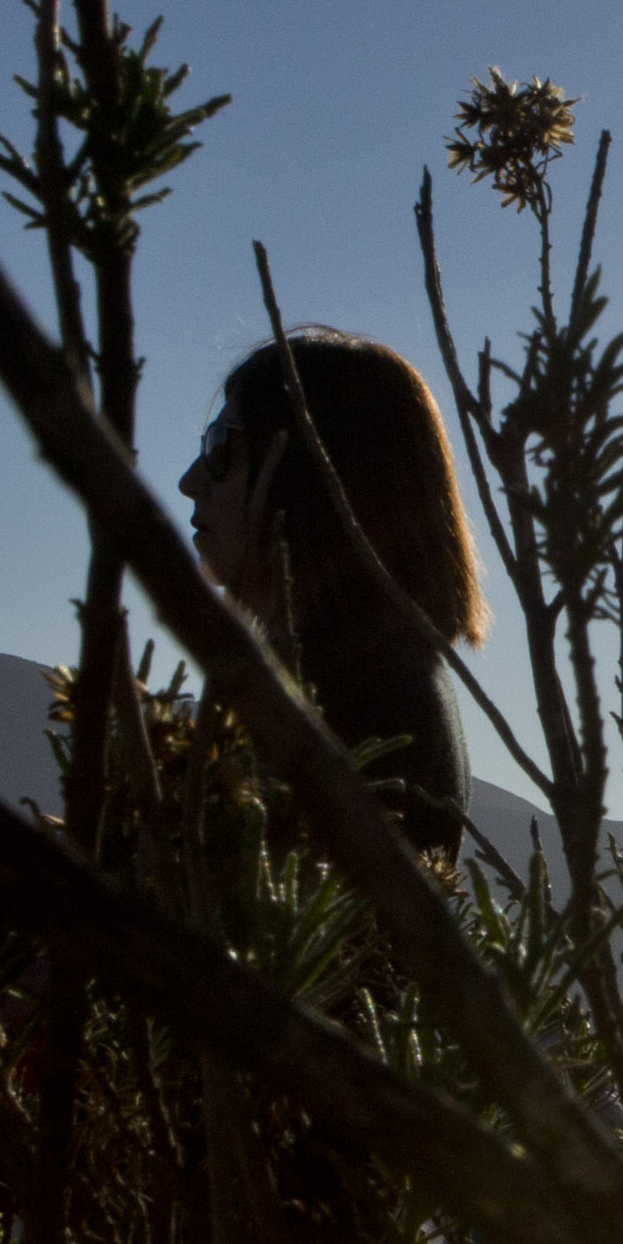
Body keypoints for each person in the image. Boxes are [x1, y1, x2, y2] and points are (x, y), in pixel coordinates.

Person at [178, 323, 488, 864]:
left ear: (308, 478)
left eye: (222, 447)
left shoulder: (342, 697)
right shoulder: (387, 677)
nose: (191, 479)